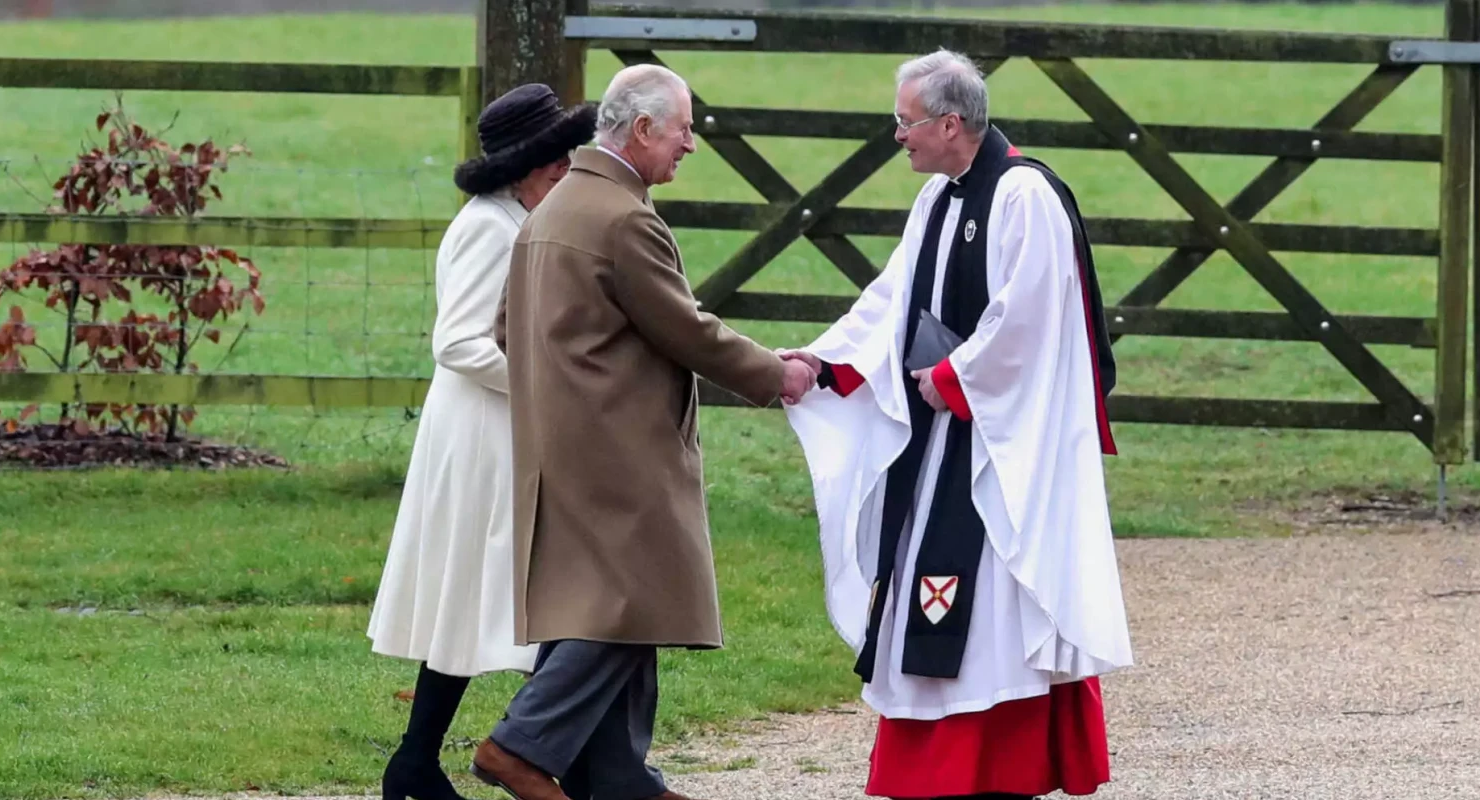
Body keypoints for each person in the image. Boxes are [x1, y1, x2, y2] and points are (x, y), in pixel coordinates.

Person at [778, 49, 1134, 799]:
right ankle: (936, 777)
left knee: (994, 612)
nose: (897, 135)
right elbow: (892, 300)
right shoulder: (936, 199)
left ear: (948, 123)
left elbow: (1031, 317)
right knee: (928, 599)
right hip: (941, 441)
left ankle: (1002, 770)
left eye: (905, 122)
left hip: (1001, 452)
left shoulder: (1024, 195)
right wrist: (825, 362)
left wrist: (952, 377)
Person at [467, 63, 818, 800]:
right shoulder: (622, 218)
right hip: (622, 450)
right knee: (626, 603)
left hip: (564, 445)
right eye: (684, 130)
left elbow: (505, 328)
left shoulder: (553, 209)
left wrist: (567, 384)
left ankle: (621, 778)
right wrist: (774, 373)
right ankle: (517, 746)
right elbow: (684, 328)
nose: (691, 144)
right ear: (645, 128)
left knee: (608, 602)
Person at [365, 82, 598, 800]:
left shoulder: (519, 220)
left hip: (504, 430)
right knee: (487, 595)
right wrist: (549, 385)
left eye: (568, 152)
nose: (566, 166)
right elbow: (458, 342)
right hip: (481, 436)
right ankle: (464, 760)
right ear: (518, 166)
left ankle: (424, 762)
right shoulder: (487, 228)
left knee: (497, 597)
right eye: (553, 156)